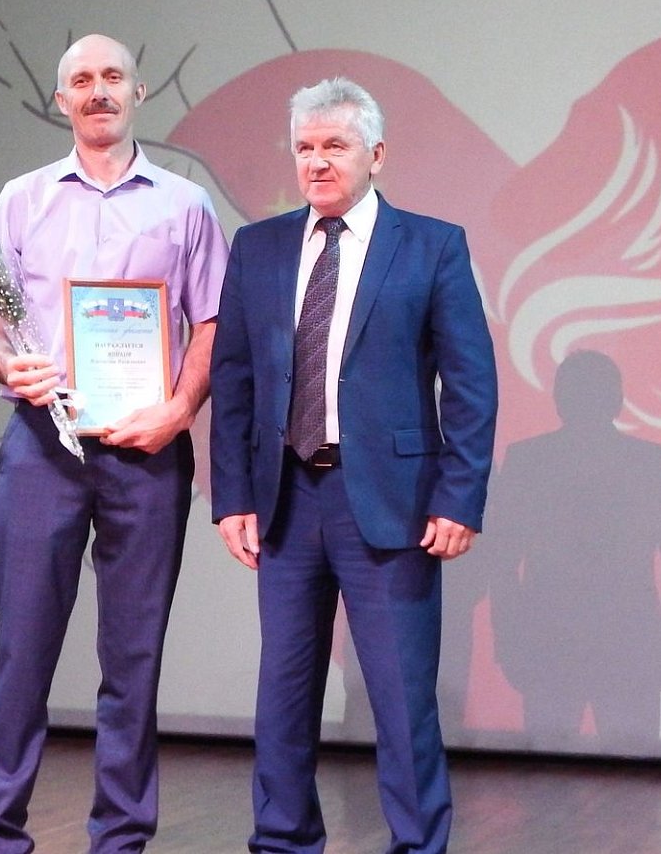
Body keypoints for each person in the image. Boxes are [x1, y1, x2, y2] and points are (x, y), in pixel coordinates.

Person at [210, 76, 498, 854]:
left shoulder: (432, 245)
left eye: (334, 145)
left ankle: (418, 844)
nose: (317, 162)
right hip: (286, 500)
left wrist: (459, 497)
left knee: (402, 699)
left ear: (376, 154)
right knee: (284, 694)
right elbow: (234, 381)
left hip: (392, 504)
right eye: (304, 147)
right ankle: (282, 840)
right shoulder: (260, 247)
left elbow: (471, 385)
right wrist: (232, 495)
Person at [0, 33, 227, 853]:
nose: (98, 90)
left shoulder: (186, 205)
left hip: (147, 452)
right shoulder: (21, 200)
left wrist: (179, 410)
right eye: (82, 79)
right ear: (61, 100)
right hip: (44, 447)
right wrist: (8, 363)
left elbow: (213, 324)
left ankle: (121, 839)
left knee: (133, 660)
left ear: (139, 92)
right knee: (22, 652)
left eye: (113, 76)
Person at [488, 350, 661, 750]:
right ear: (618, 401)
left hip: (557, 645)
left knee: (551, 776)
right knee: (626, 776)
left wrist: (510, 643)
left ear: (558, 400)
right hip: (623, 644)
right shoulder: (652, 463)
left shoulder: (527, 461)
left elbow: (501, 565)